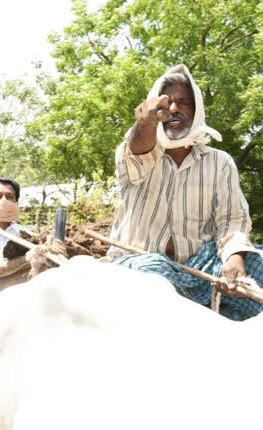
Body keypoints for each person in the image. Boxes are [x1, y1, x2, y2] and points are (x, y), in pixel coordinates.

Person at [109, 64, 263, 320]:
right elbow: (137, 151)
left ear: (196, 110)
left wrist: (233, 258)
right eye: (165, 104)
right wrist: (144, 122)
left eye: (183, 103)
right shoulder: (135, 151)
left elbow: (231, 219)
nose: (173, 109)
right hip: (137, 263)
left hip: (200, 269)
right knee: (155, 273)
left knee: (259, 263)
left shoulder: (219, 161)